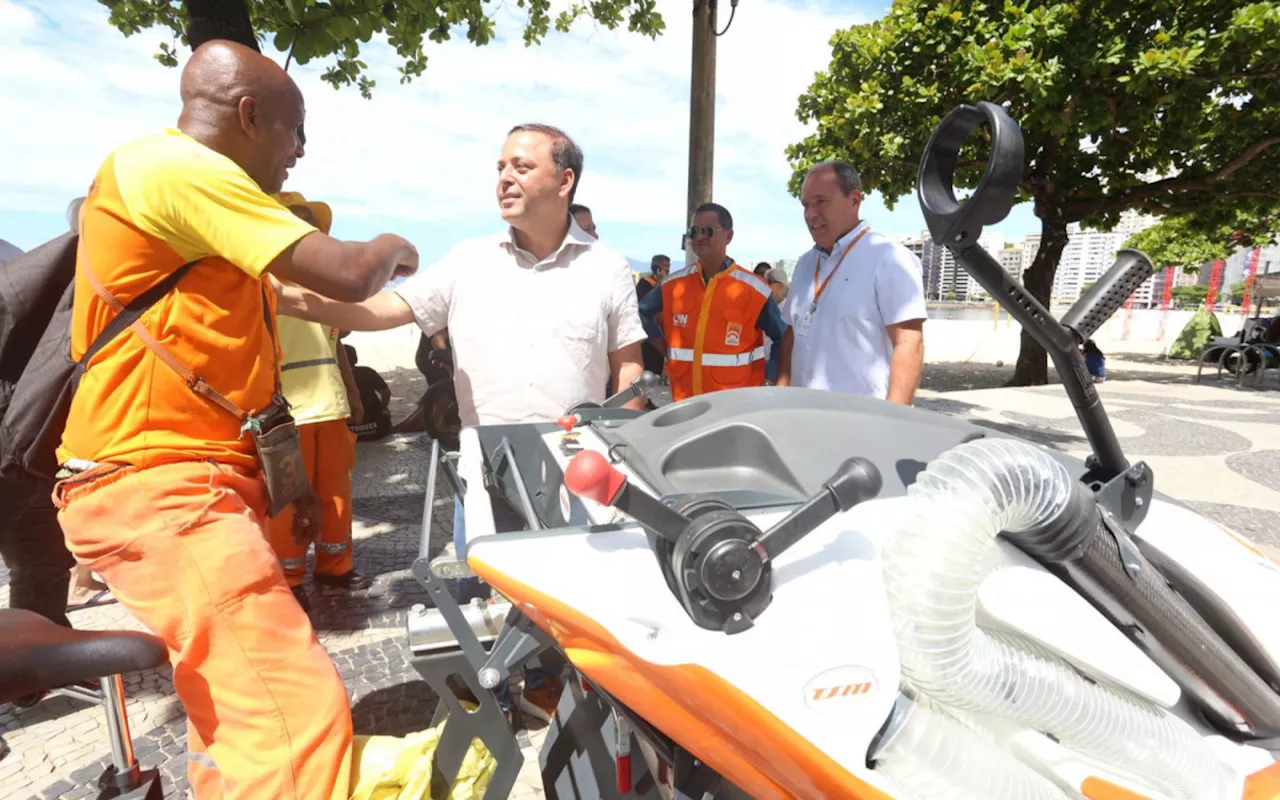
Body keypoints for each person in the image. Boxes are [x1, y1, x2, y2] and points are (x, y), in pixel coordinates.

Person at [51, 40, 418, 800]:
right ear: (248, 115)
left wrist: (288, 486)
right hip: (160, 490)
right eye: (294, 132)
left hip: (193, 484)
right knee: (294, 717)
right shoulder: (174, 166)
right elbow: (350, 273)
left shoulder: (200, 216)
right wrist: (395, 248)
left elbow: (237, 372)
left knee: (231, 719)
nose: (300, 153)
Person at [276, 122, 646, 722]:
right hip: (486, 462)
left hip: (575, 460)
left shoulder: (606, 268)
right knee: (485, 586)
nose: (504, 177)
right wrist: (299, 301)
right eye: (500, 166)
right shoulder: (468, 261)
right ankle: (493, 694)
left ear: (565, 179)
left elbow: (628, 368)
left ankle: (561, 690)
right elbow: (383, 310)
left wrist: (616, 450)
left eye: (522, 167)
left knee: (573, 590)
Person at [266, 192, 372, 613]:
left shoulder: (321, 291)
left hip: (330, 406)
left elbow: (336, 346)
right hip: (284, 411)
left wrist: (353, 393)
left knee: (336, 492)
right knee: (288, 497)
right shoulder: (263, 282)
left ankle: (335, 566)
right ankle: (288, 576)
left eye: (309, 226)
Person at [776, 161, 926, 404]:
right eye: (806, 205)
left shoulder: (889, 258)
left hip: (859, 421)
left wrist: (895, 419)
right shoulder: (805, 264)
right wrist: (780, 395)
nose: (811, 214)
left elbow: (909, 342)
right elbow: (791, 334)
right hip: (801, 415)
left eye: (821, 201)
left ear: (855, 200)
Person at [637, 203, 786, 402]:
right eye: (693, 231)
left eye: (707, 231)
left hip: (735, 404)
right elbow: (641, 312)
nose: (699, 237)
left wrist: (770, 377)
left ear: (729, 236)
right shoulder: (673, 285)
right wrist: (661, 345)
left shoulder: (754, 290)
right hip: (684, 400)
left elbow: (782, 337)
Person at [343, 342, 393, 441]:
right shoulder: (367, 371)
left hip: (349, 432)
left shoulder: (333, 376)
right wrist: (383, 407)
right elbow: (386, 392)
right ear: (356, 359)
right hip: (377, 430)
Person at [635, 254, 670, 378]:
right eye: (665, 268)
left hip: (662, 328)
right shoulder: (644, 284)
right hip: (649, 335)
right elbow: (643, 306)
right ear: (656, 269)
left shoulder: (668, 285)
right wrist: (659, 282)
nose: (668, 271)